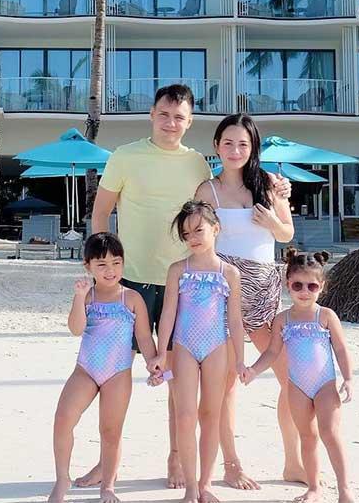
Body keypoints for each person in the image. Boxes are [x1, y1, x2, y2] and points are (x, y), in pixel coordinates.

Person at [77, 84, 291, 489]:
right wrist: (102, 270)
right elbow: (102, 211)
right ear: (152, 114)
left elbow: (226, 204)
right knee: (115, 375)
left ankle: (177, 458)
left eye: (179, 117)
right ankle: (108, 464)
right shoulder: (125, 156)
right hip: (132, 280)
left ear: (189, 122)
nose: (170, 122)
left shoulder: (198, 167)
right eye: (164, 114)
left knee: (177, 376)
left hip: (187, 284)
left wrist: (281, 190)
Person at [194, 113, 302, 489]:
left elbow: (287, 233)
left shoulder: (271, 184)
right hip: (222, 293)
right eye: (228, 143)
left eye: (243, 143)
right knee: (224, 386)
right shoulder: (207, 190)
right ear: (217, 147)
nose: (236, 150)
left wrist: (271, 221)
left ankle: (293, 462)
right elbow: (197, 238)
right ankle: (231, 464)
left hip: (264, 289)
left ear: (253, 146)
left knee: (293, 379)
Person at [48, 232, 161, 503]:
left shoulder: (132, 298)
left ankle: (108, 485)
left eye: (116, 263)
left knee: (111, 430)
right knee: (63, 419)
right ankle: (62, 478)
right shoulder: (88, 296)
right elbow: (76, 329)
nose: (110, 270)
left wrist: (153, 362)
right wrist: (78, 297)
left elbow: (144, 337)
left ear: (123, 264)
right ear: (88, 266)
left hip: (118, 372)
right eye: (101, 265)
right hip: (85, 370)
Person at [147, 201, 246, 503]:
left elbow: (235, 320)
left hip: (217, 347)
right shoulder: (178, 270)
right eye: (187, 233)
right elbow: (168, 314)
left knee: (210, 415)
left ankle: (205, 484)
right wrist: (161, 352)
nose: (193, 237)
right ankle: (190, 485)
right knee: (185, 414)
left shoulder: (229, 272)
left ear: (216, 229)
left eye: (199, 230)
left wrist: (241, 359)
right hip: (185, 347)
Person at [242, 250, 355, 503]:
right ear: (287, 284)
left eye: (312, 285)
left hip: (325, 384)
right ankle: (313, 487)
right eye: (297, 285)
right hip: (297, 387)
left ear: (321, 286)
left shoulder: (325, 316)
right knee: (307, 436)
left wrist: (347, 378)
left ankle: (344, 488)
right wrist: (253, 370)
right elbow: (272, 352)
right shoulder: (282, 319)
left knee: (330, 433)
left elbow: (341, 349)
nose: (305, 291)